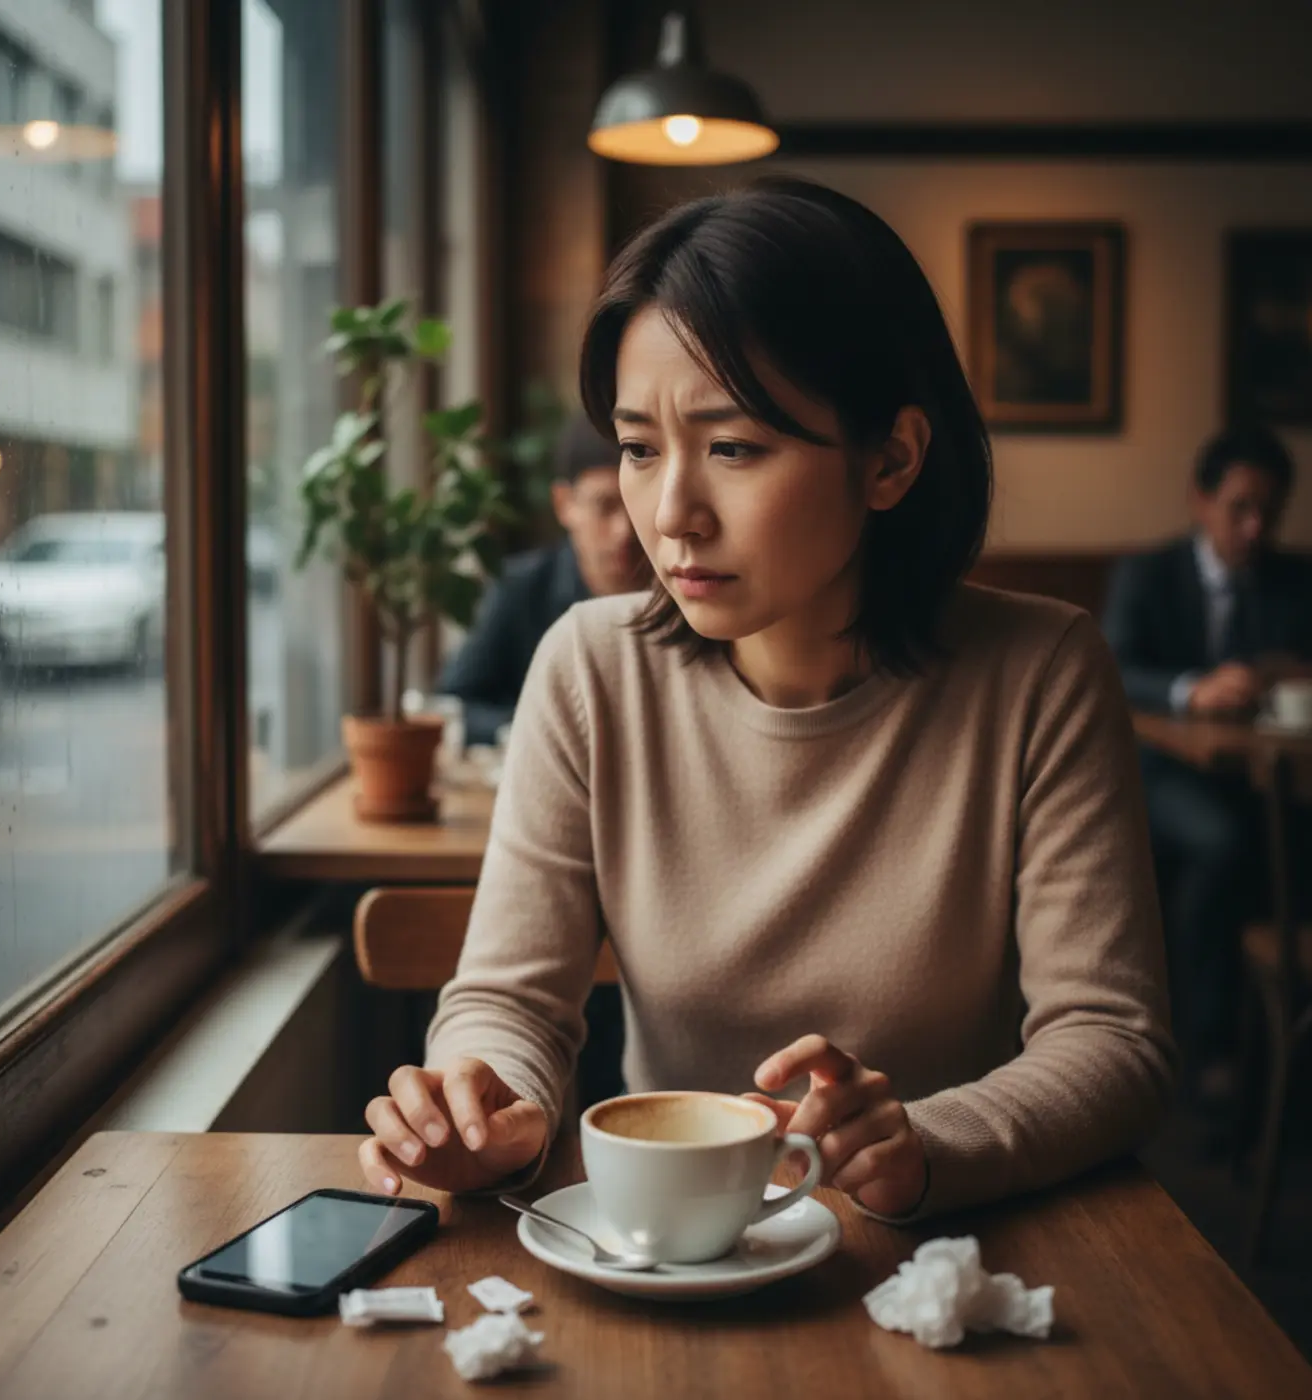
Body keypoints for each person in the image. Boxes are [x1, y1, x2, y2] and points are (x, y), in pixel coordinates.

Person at [361, 177, 1176, 1222]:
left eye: (732, 446)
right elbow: (508, 998)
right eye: (638, 447)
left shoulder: (1041, 670)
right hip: (665, 1242)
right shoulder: (588, 667)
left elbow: (1110, 1037)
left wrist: (921, 1142)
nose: (669, 514)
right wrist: (491, 1104)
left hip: (942, 1259)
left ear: (889, 458)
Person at [1104, 427, 1312, 1101]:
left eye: (1269, 512)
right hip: (1161, 771)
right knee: (1226, 845)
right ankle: (1207, 1045)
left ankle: (1273, 1051)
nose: (1255, 529)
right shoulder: (1149, 573)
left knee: (1282, 842)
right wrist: (1192, 689)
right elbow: (1113, 667)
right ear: (1201, 500)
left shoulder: (1292, 581)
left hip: (1260, 777)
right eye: (1240, 509)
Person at [438, 413, 644, 746]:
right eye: (605, 506)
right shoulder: (519, 588)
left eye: (637, 505)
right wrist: (549, 733)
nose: (625, 531)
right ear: (564, 504)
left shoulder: (687, 592)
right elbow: (454, 704)